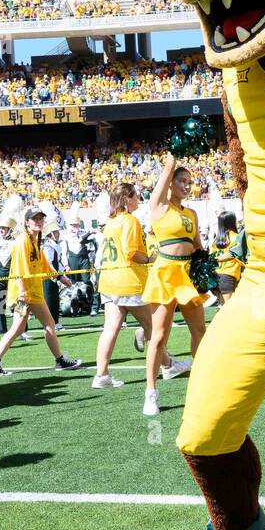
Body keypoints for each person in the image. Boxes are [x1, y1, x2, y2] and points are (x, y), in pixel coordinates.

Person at [140, 156, 205, 416]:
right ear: (170, 184)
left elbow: (198, 246)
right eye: (181, 181)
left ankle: (199, 386)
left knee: (200, 331)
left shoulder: (192, 213)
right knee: (158, 337)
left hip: (187, 275)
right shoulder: (159, 208)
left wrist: (207, 264)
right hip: (166, 273)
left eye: (189, 182)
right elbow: (167, 170)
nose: (187, 185)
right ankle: (151, 393)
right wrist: (171, 159)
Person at [0, 209, 81, 376]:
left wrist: (60, 277)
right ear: (26, 222)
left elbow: (43, 264)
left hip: (34, 292)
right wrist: (22, 292)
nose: (38, 221)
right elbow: (19, 269)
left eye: (40, 219)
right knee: (18, 328)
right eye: (34, 219)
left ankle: (59, 360)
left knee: (47, 325)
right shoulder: (22, 241)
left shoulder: (35, 240)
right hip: (25, 293)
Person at [93, 183, 168, 389]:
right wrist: (150, 258)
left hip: (109, 281)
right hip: (129, 281)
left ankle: (101, 375)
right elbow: (131, 252)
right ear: (127, 198)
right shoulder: (129, 220)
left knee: (110, 328)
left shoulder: (111, 221)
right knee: (153, 327)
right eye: (136, 196)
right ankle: (169, 365)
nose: (139, 199)